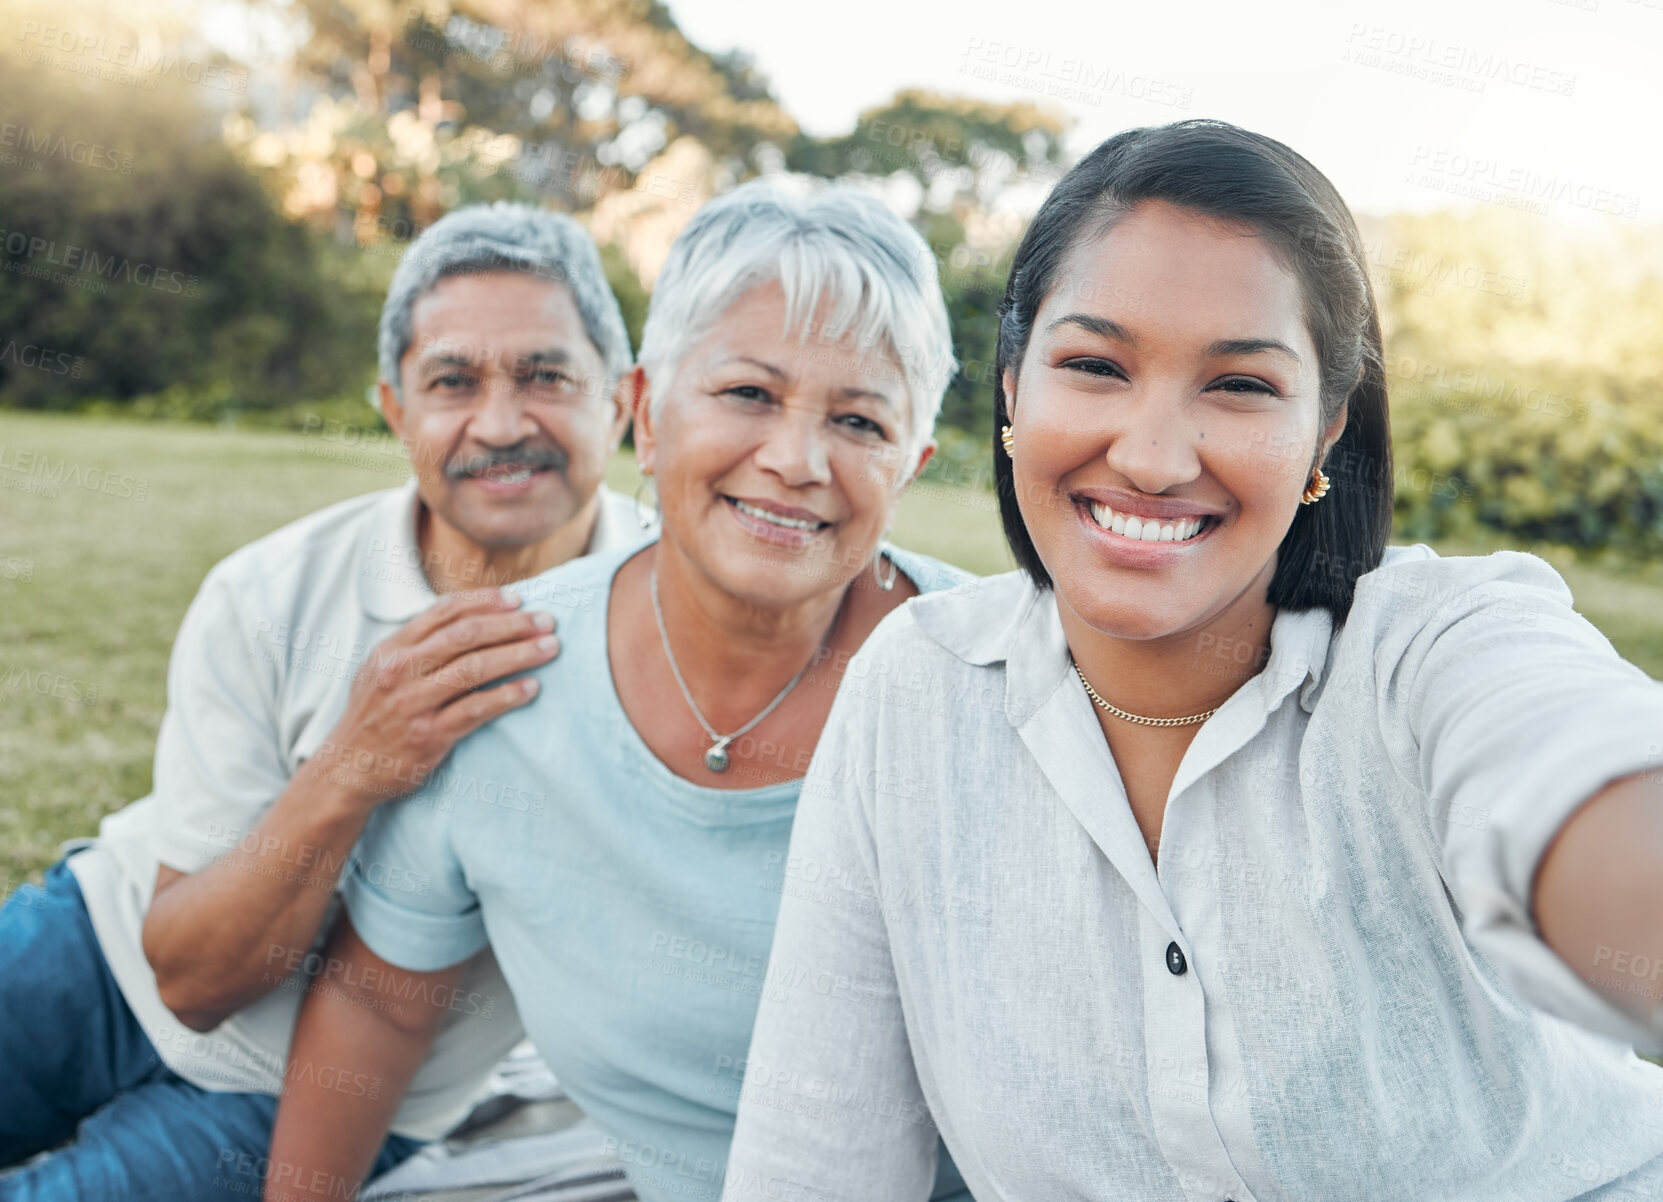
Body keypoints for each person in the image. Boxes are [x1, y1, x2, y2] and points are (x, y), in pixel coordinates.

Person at [722, 119, 1663, 1201]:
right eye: (1095, 365)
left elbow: (1569, 772)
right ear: (1013, 390)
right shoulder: (916, 693)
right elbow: (813, 1159)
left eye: (1240, 385)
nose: (1155, 457)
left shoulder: (1433, 648)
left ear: (1325, 432)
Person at [263, 180, 975, 1202]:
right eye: (746, 393)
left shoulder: (996, 685)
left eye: (858, 419)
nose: (794, 459)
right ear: (643, 409)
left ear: (910, 461)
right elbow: (378, 1006)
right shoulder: (498, 674)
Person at [0, 201, 641, 1200]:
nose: (502, 421)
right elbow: (192, 976)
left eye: (546, 375)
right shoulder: (270, 591)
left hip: (316, 1094)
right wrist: (354, 760)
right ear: (395, 408)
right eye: (453, 380)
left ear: (622, 401)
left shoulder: (669, 618)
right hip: (102, 950)